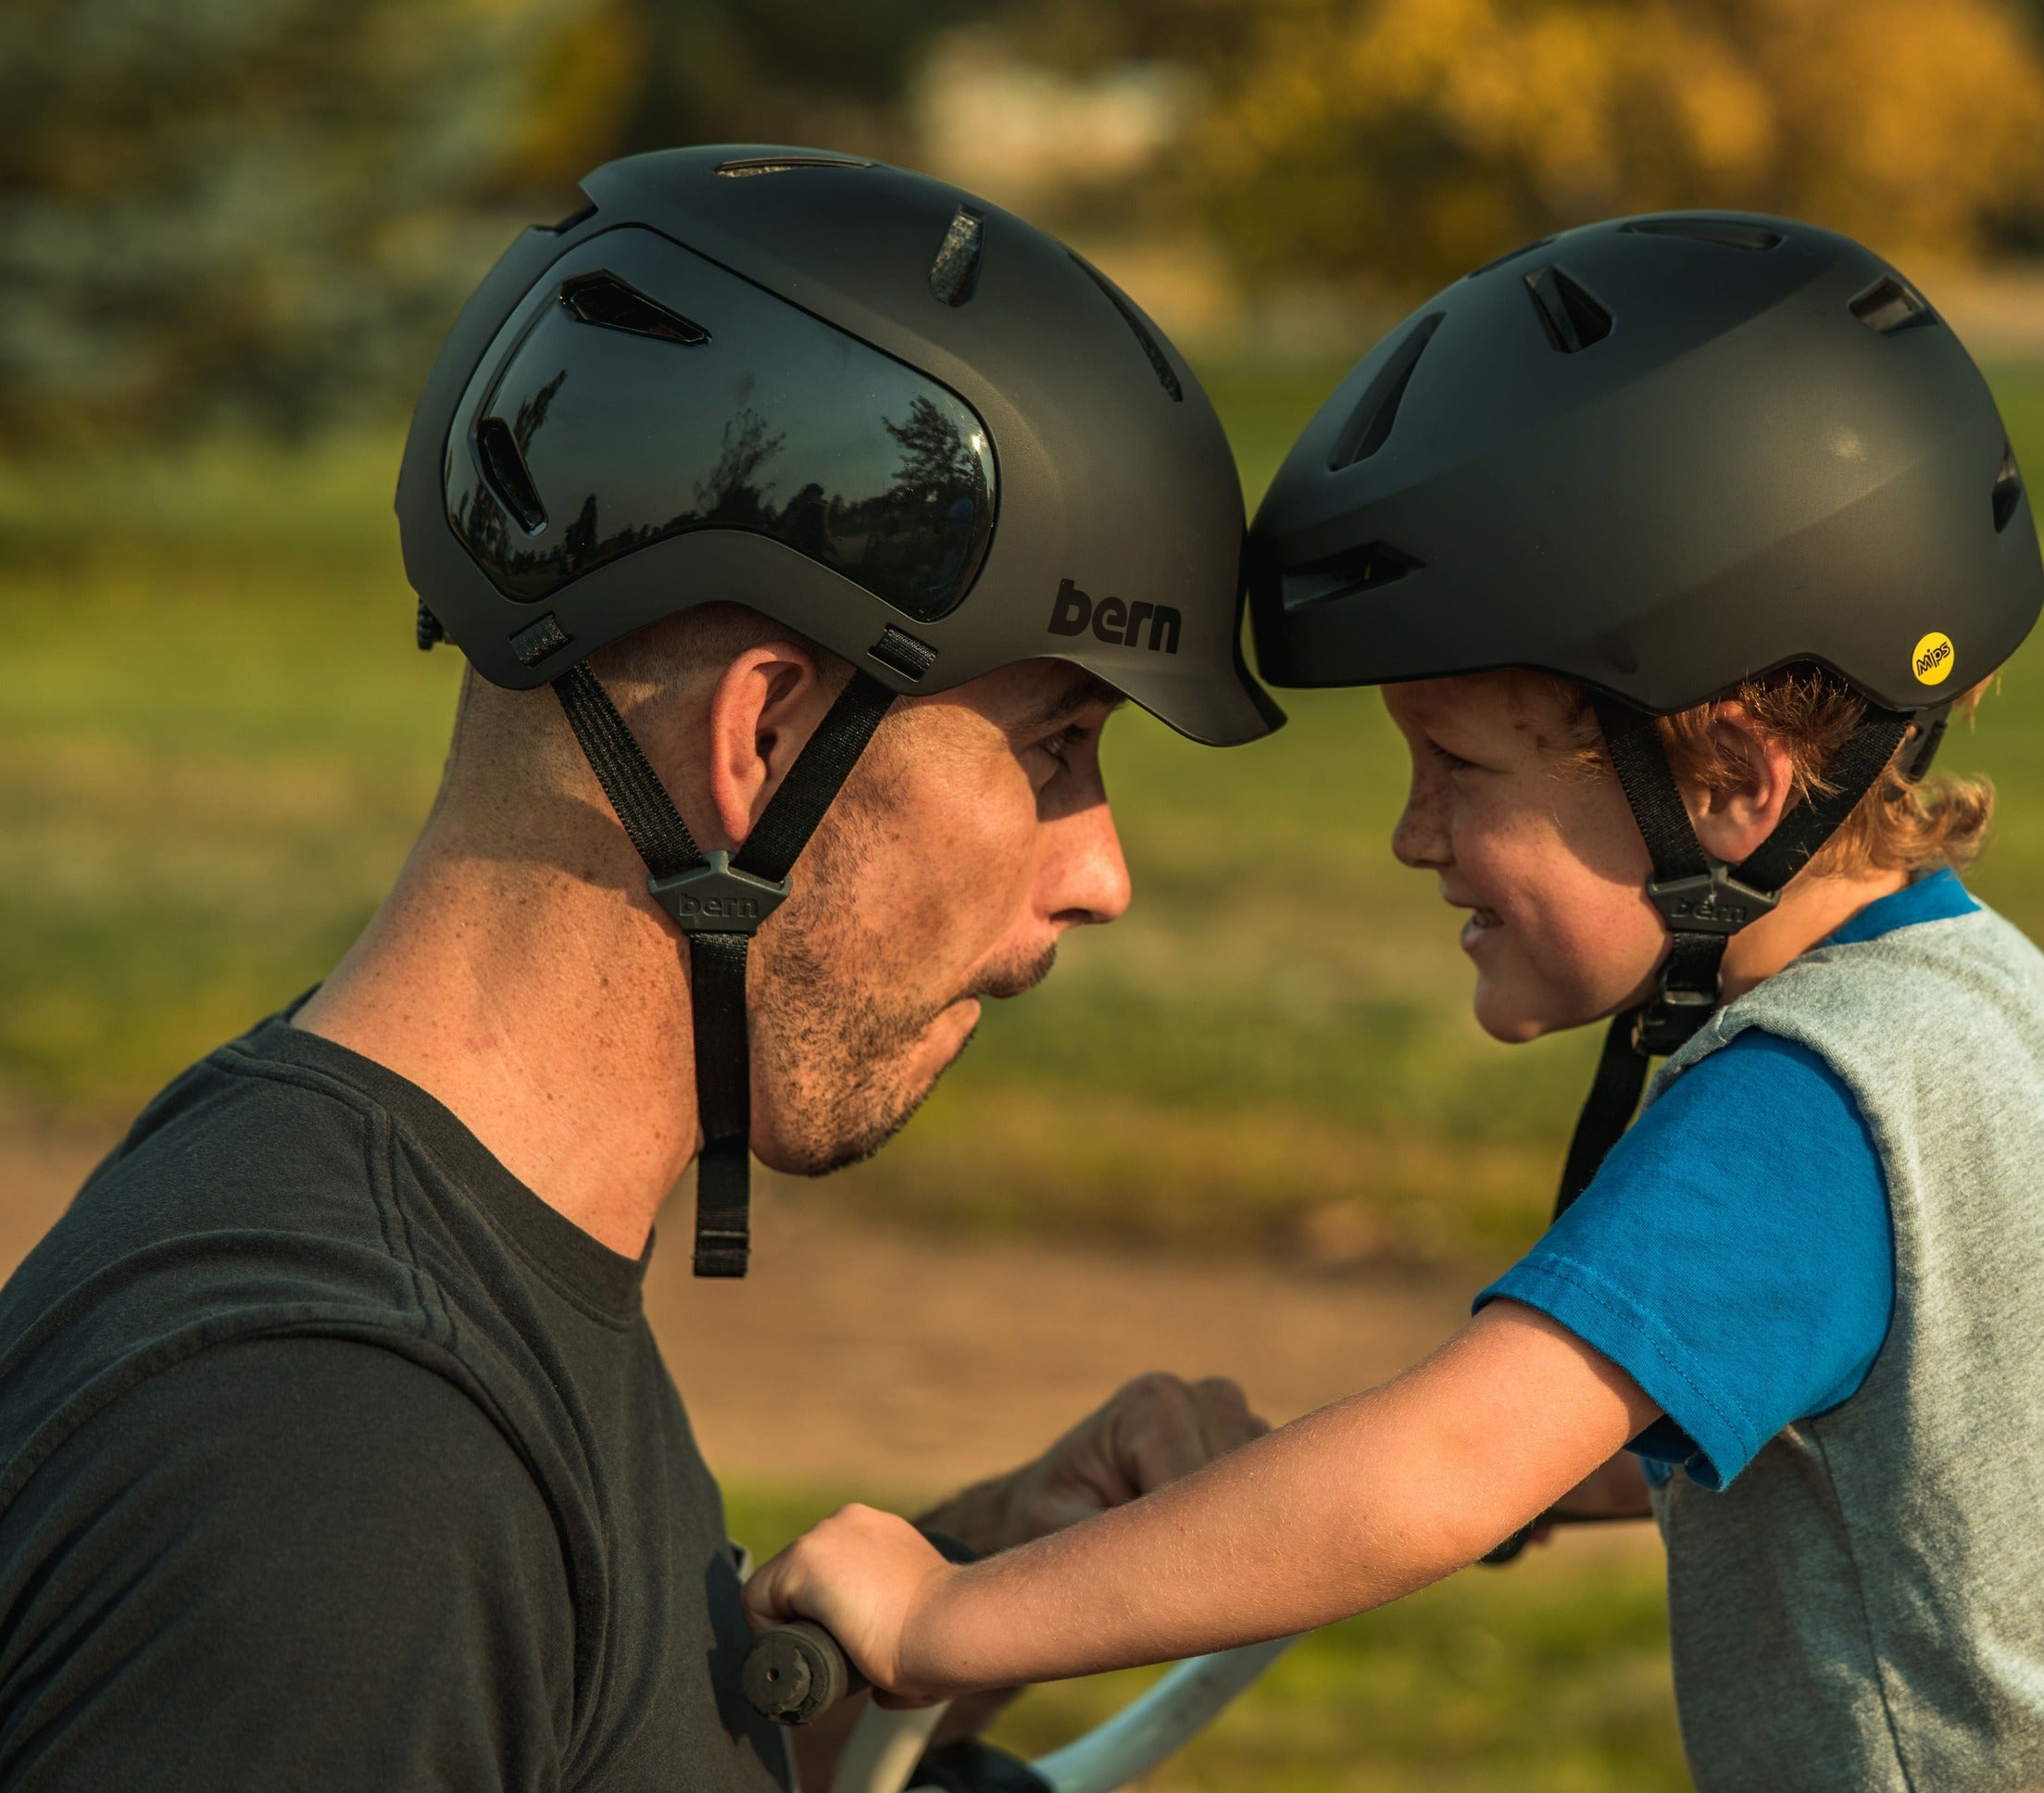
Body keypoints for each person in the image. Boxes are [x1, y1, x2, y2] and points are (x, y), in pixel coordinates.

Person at [746, 215, 2044, 1790]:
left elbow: (1440, 1472)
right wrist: (1288, 1494)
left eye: (1457, 766)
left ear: (1732, 779)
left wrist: (950, 1612)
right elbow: (1832, 1433)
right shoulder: (1978, 1008)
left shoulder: (1806, 1107)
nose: (1411, 836)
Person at [0, 148, 1283, 1790]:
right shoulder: (345, 1463)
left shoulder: (437, 1268)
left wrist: (992, 1581)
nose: (1100, 874)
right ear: (761, 739)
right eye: (1052, 750)